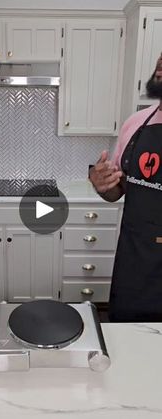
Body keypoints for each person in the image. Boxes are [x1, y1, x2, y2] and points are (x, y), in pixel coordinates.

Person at [89, 54, 162, 322]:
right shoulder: (136, 123)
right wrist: (102, 184)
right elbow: (118, 188)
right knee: (126, 340)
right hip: (135, 259)